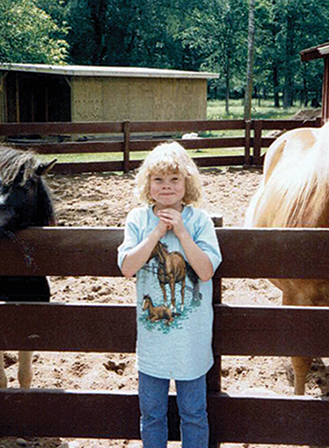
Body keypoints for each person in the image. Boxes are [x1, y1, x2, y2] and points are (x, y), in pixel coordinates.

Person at [117, 141, 222, 448]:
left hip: (191, 343)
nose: (166, 187)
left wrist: (182, 233)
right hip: (152, 346)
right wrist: (157, 234)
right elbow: (127, 267)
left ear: (186, 183)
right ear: (147, 185)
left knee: (193, 413)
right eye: (158, 180)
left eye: (174, 179)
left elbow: (205, 271)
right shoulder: (138, 219)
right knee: (151, 414)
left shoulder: (198, 221)